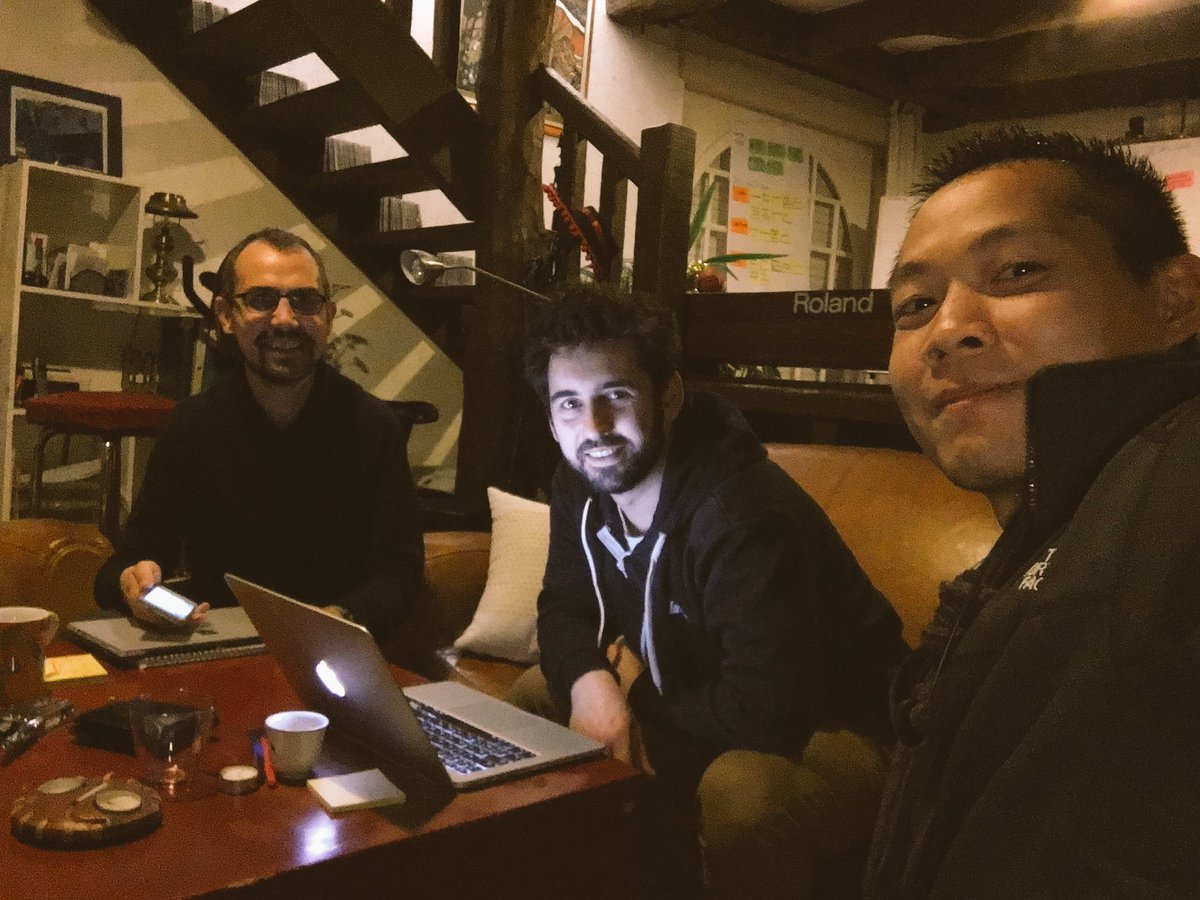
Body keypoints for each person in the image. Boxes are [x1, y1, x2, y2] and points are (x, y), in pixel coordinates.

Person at [866, 128, 1200, 898]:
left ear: (1175, 299)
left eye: (1018, 271)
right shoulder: (1056, 532)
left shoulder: (1177, 489)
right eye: (916, 305)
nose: (946, 331)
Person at [510, 284, 908, 896]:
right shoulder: (579, 482)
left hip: (843, 719)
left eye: (616, 395)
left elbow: (766, 711)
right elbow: (564, 605)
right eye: (570, 403)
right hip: (696, 689)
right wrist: (594, 684)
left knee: (742, 795)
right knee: (536, 694)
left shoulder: (741, 513)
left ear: (668, 395)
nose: (594, 427)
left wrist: (634, 693)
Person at [93, 228, 424, 642]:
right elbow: (134, 558)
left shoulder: (372, 427)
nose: (285, 319)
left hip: (334, 648)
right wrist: (133, 583)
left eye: (305, 301)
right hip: (216, 644)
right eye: (262, 300)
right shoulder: (193, 426)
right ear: (225, 315)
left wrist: (331, 620)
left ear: (328, 316)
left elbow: (400, 574)